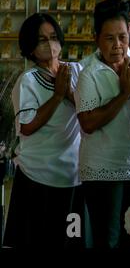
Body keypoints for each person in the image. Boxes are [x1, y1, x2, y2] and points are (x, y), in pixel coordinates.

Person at [74, 0, 130, 248]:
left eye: (122, 37)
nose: (118, 45)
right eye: (109, 38)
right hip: (101, 167)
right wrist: (123, 95)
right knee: (107, 239)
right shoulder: (88, 72)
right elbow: (88, 123)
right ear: (96, 38)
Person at [4, 13, 84, 248]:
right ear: (29, 47)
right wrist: (58, 96)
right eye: (41, 40)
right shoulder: (28, 80)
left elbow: (88, 112)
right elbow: (26, 126)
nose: (49, 44)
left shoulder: (76, 71)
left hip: (73, 174)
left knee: (72, 240)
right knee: (37, 240)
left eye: (53, 37)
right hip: (37, 176)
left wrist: (67, 92)